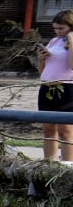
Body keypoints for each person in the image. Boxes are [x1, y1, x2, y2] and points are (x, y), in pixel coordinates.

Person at [37, 9, 73, 161]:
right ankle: (49, 165)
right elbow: (43, 72)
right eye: (55, 28)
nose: (57, 31)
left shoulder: (71, 40)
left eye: (61, 28)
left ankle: (67, 166)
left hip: (67, 88)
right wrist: (41, 59)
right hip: (47, 87)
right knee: (48, 130)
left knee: (65, 131)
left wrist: (71, 41)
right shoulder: (54, 41)